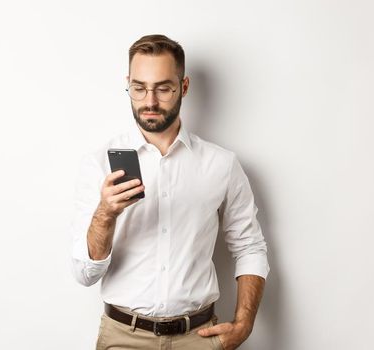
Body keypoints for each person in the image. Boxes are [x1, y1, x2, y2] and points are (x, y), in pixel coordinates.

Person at [69, 34, 270, 350]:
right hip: (124, 338)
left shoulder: (221, 164)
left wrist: (244, 325)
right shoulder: (98, 163)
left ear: (184, 87)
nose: (149, 101)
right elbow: (84, 274)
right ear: (129, 85)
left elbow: (250, 247)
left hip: (198, 338)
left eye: (163, 88)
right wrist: (106, 213)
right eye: (139, 88)